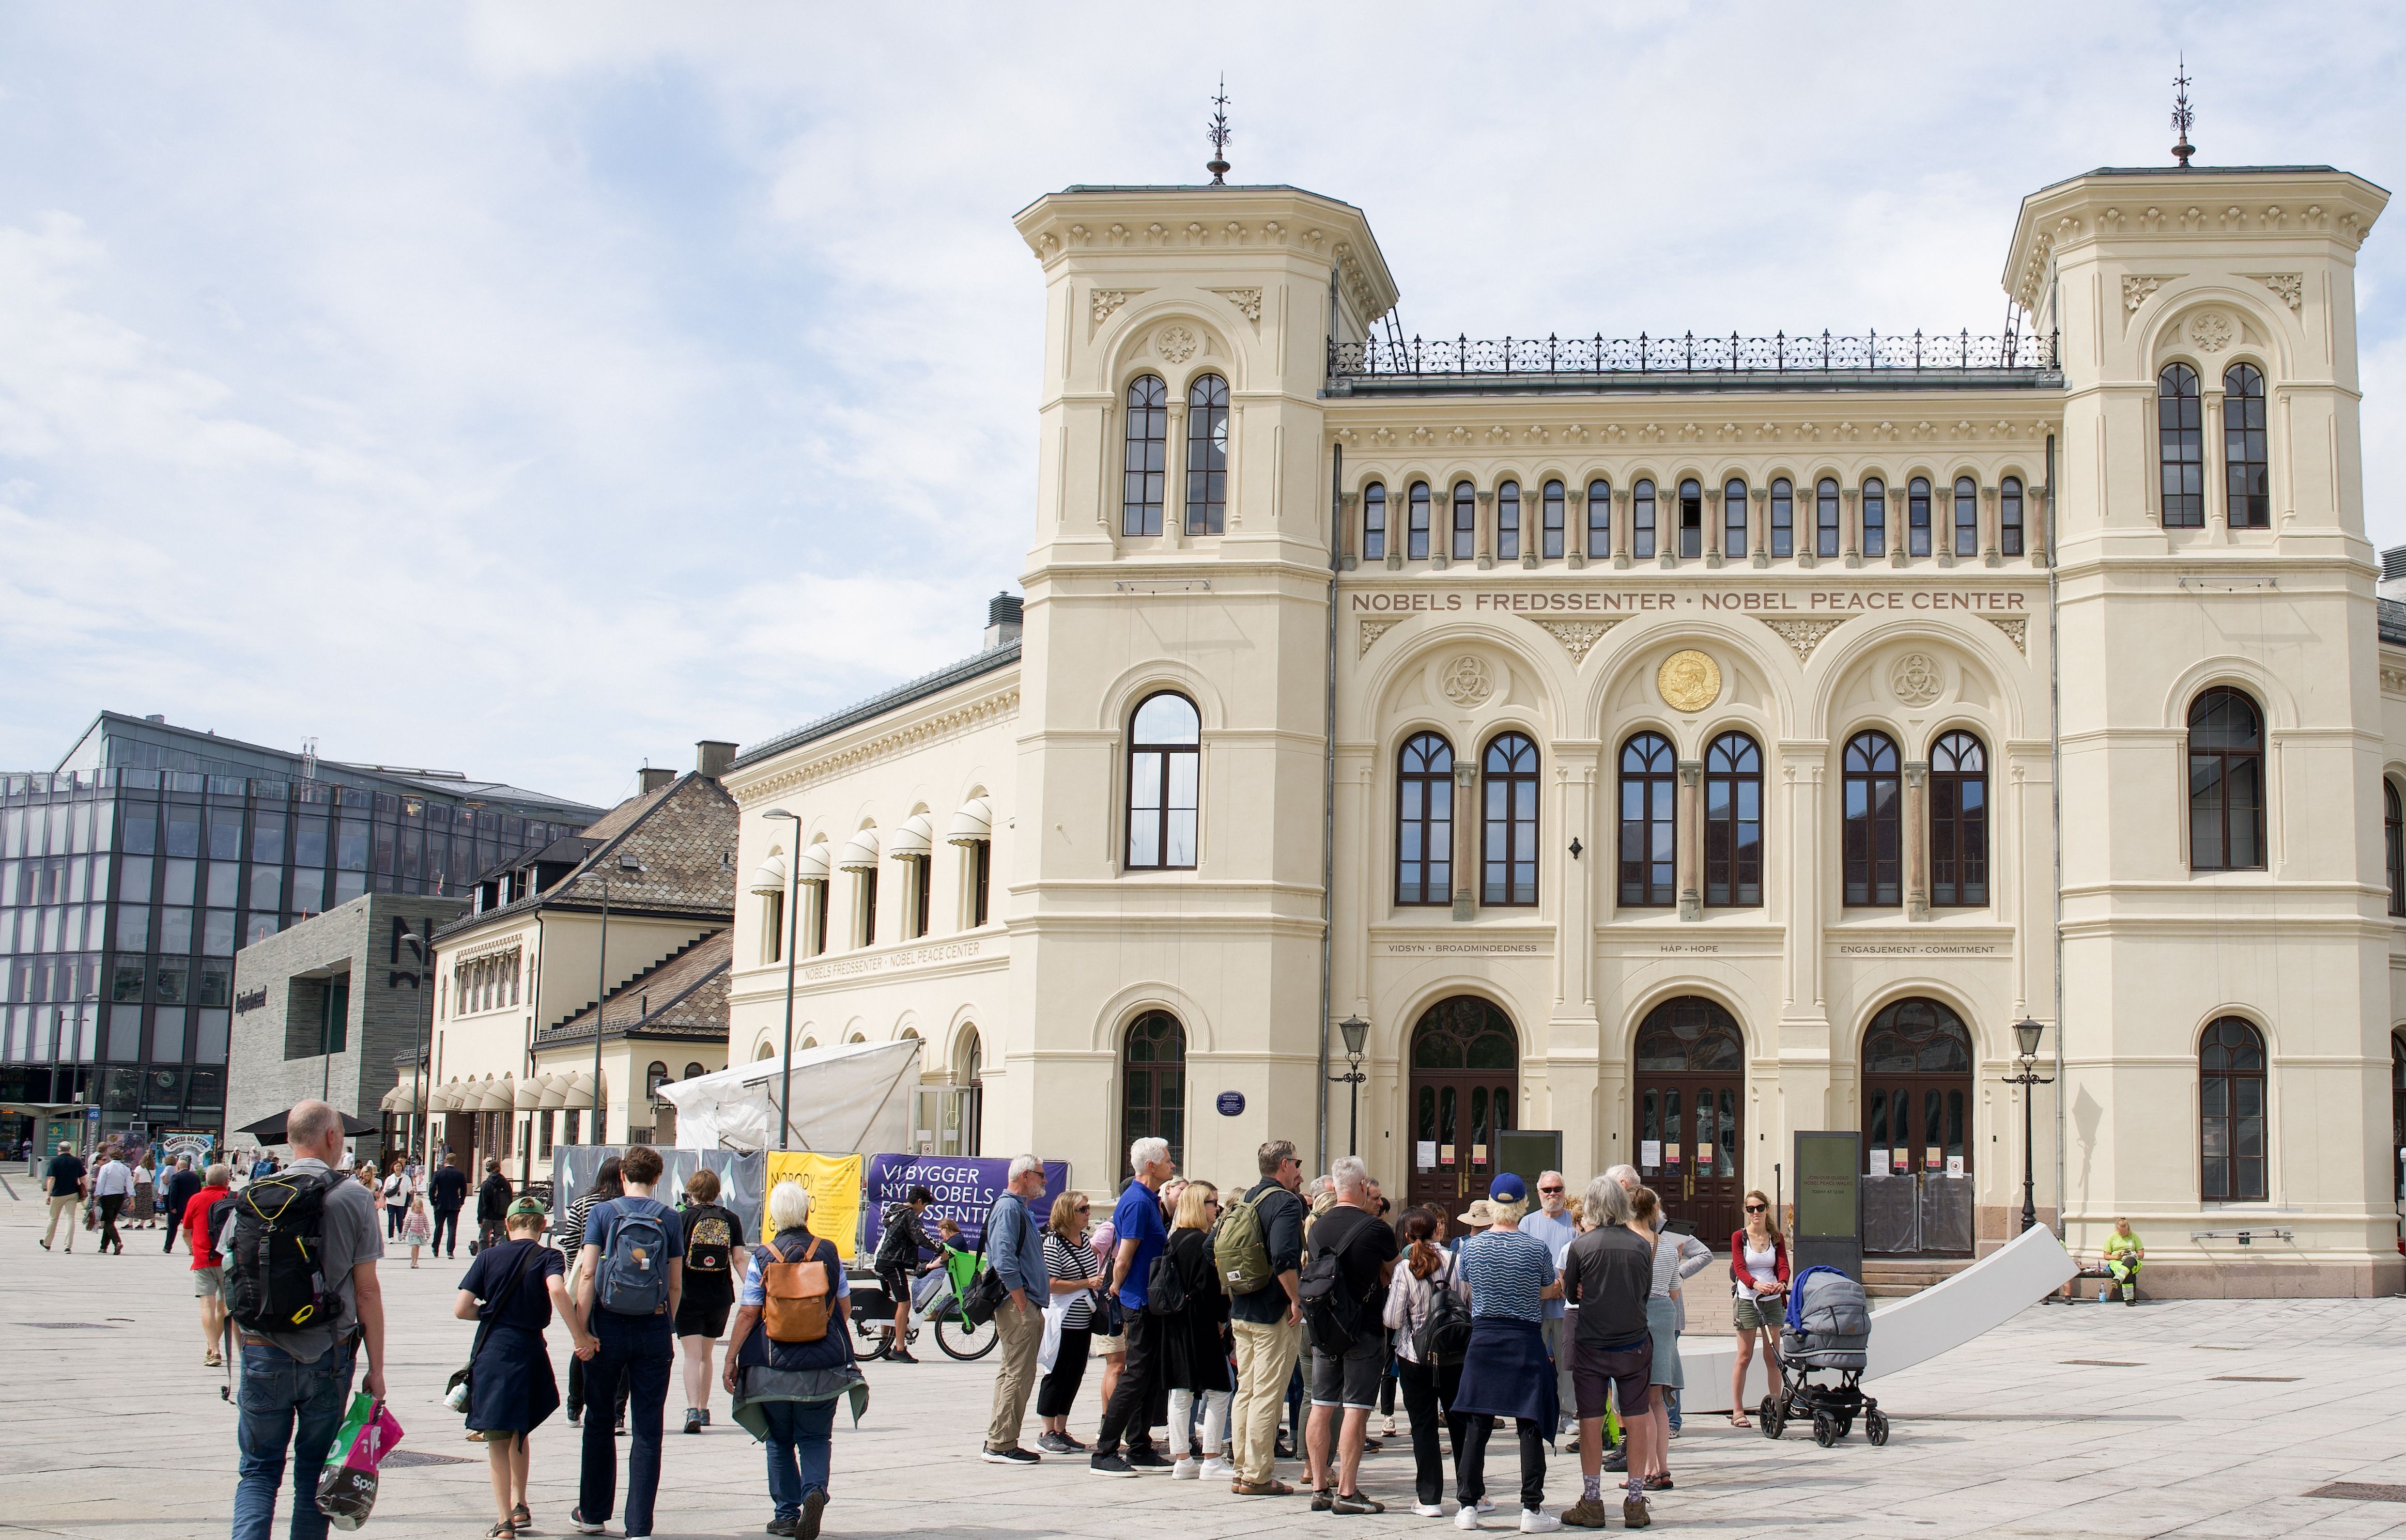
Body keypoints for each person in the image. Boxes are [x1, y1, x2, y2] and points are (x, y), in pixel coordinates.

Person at [230, 1099, 387, 1540]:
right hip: (327, 1352)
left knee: (258, 1472)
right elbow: (368, 1290)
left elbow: (235, 1276)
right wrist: (376, 1367)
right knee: (315, 1474)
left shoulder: (254, 1194)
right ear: (333, 1137)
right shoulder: (354, 1195)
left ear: (289, 1137)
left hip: (263, 1349)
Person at [725, 1179, 865, 1540]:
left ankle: (786, 1514)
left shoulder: (762, 1256)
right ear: (806, 1211)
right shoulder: (829, 1252)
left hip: (772, 1366)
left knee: (779, 1440)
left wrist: (731, 1358)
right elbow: (845, 1307)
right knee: (816, 1437)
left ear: (774, 1216)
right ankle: (814, 1489)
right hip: (823, 1367)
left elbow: (748, 1312)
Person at [572, 1144, 684, 1539]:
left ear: (623, 1176)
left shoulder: (603, 1213)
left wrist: (582, 1330)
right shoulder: (670, 1217)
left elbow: (587, 1274)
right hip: (653, 1326)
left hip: (607, 1323)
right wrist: (666, 1323)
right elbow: (674, 1282)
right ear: (657, 1178)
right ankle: (638, 1524)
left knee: (600, 1420)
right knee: (649, 1429)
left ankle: (592, 1512)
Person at [455, 1196, 576, 1539]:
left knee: (496, 1436)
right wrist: (579, 1334)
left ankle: (504, 1520)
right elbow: (556, 1289)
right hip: (529, 1350)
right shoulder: (550, 1256)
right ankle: (520, 1503)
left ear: (508, 1226)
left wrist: (491, 1313)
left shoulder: (488, 1256)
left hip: (494, 1352)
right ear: (541, 1226)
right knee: (520, 1432)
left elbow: (462, 1308)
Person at [1450, 1173, 1563, 1533]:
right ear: (1523, 1206)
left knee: (1477, 1422)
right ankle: (1531, 1507)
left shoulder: (1471, 1248)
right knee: (1529, 1422)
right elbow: (1547, 1290)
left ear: (1493, 1206)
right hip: (1524, 1337)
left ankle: (1468, 1504)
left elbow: (1469, 1285)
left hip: (1484, 1337)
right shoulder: (1536, 1248)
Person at [1556, 1177, 1657, 1530]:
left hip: (1593, 1343)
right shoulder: (1642, 1244)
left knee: (1590, 1420)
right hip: (1633, 1341)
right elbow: (1643, 1293)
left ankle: (1593, 1499)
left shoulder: (1581, 1245)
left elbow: (1571, 1294)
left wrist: (1587, 1288)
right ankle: (1634, 1502)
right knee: (1637, 1417)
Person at [1303, 1156, 1401, 1515]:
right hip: (1364, 1327)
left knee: (1321, 1405)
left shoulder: (1317, 1226)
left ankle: (1318, 1485)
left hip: (1326, 1328)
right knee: (1356, 1410)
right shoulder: (1376, 1228)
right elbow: (1393, 1270)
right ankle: (1347, 1491)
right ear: (1361, 1186)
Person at [1090, 1136, 1176, 1475]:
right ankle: (1106, 1450)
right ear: (1152, 1166)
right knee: (1136, 1373)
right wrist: (1116, 1287)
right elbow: (1124, 1256)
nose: (1173, 1164)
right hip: (1139, 1300)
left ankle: (1140, 1445)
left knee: (1149, 1374)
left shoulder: (1147, 1199)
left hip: (1148, 1299)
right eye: (1169, 1160)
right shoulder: (1139, 1202)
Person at [1227, 1139, 1307, 1496]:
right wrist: (1295, 1299)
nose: (1300, 1171)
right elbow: (1285, 1258)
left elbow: (1211, 1247)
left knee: (1246, 1389)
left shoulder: (1244, 1199)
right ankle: (1258, 1475)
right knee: (1268, 1393)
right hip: (1273, 1310)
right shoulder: (1286, 1203)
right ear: (1285, 1164)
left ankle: (1242, 1467)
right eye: (1298, 1163)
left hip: (1241, 1306)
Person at [1386, 1207, 1471, 1517]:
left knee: (1423, 1426)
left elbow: (1393, 1319)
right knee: (1460, 1424)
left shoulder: (1405, 1269)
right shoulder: (1458, 1262)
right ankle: (1470, 1495)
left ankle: (1429, 1497)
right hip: (1455, 1354)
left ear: (1408, 1237)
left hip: (1415, 1356)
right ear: (1438, 1231)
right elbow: (1469, 1305)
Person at [1631, 1187, 1705, 1494]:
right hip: (1664, 1316)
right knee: (1658, 1399)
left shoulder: (1629, 1244)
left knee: (1640, 1401)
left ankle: (1649, 1469)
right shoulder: (1665, 1246)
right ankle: (1662, 1468)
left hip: (1638, 1317)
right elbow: (1675, 1291)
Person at [979, 1153, 1051, 1465]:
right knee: (1018, 1374)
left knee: (1012, 1372)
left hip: (1022, 1303)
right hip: (1017, 1305)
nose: (1044, 1181)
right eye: (1040, 1175)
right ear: (1025, 1176)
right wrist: (1023, 1303)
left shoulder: (1017, 1208)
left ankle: (1000, 1438)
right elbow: (1005, 1260)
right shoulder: (1010, 1208)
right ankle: (1002, 1443)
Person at [1160, 1180, 1235, 1481]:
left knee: (1181, 1391)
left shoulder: (1174, 1238)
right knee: (1219, 1391)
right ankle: (1211, 1459)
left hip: (1176, 1321)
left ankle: (1182, 1459)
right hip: (1200, 1322)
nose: (1216, 1208)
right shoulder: (1202, 1243)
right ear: (1197, 1205)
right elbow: (1213, 1289)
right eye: (1211, 1202)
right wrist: (1221, 1321)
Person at [676, 1168, 746, 1434]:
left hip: (688, 1293)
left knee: (691, 1355)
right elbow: (739, 1259)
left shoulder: (682, 1218)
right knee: (707, 1354)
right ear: (718, 1193)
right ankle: (705, 1410)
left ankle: (693, 1408)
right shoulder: (731, 1219)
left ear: (691, 1192)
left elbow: (674, 1260)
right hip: (720, 1295)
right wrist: (754, 1289)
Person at [1037, 1192, 1106, 1453]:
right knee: (1056, 1374)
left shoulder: (1085, 1240)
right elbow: (1052, 1285)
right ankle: (1046, 1431)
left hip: (1083, 1320)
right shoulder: (1054, 1244)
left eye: (1088, 1208)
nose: (1088, 1213)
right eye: (1083, 1209)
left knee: (1075, 1374)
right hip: (1063, 1321)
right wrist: (1086, 1284)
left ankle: (1061, 1429)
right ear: (1067, 1213)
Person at [563, 1158, 628, 1434]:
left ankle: (575, 1405)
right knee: (624, 1351)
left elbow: (569, 1243)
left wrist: (573, 1273)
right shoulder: (630, 1205)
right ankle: (617, 1412)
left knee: (583, 1342)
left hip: (589, 1279)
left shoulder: (584, 1204)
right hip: (624, 1284)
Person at [1520, 1171, 1579, 1438]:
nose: (1553, 1194)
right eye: (1547, 1190)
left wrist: (1564, 1286)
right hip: (1535, 1308)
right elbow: (1520, 1264)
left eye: (1558, 1189)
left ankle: (1567, 1414)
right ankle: (1535, 1410)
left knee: (1567, 1365)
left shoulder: (1575, 1224)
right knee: (1535, 1363)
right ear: (1539, 1193)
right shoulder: (1527, 1224)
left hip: (1569, 1308)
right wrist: (1547, 1288)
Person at [1727, 1189, 1788, 1428]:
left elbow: (1783, 1265)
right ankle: (1738, 1410)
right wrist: (1756, 1284)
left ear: (1767, 1210)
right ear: (1745, 1211)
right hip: (1748, 1299)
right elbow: (1739, 1268)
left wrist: (1782, 1283)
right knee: (1744, 1356)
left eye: (1760, 1208)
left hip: (1772, 1300)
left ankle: (1777, 1409)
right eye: (1751, 1209)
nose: (1756, 1213)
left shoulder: (1776, 1236)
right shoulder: (1739, 1237)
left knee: (1772, 1357)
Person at [871, 1185, 940, 1365]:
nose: (923, 1211)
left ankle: (885, 1344)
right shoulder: (910, 1214)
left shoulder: (895, 1209)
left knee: (892, 1303)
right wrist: (941, 1249)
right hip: (893, 1263)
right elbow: (921, 1237)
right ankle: (900, 1349)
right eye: (924, 1206)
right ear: (919, 1202)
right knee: (905, 1302)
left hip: (883, 1260)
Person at [183, 1161, 235, 1365]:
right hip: (228, 1260)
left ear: (206, 1179)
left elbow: (186, 1232)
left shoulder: (196, 1199)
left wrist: (192, 1249)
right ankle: (213, 1345)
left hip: (203, 1259)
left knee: (207, 1304)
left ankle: (213, 1350)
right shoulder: (233, 1199)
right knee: (224, 1307)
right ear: (227, 1180)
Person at [1087, 1214, 1125, 1411]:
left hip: (1120, 1303)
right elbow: (1087, 1253)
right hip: (1110, 1303)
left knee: (1116, 1365)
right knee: (1117, 1365)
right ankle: (1115, 1421)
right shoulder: (1111, 1229)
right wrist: (1093, 1282)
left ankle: (1107, 1421)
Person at [38, 1140, 84, 1252]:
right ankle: (68, 1246)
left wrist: (48, 1195)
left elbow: (51, 1179)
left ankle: (48, 1243)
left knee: (53, 1219)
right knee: (70, 1218)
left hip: (58, 1193)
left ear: (59, 1150)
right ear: (70, 1150)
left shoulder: (55, 1162)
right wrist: (84, 1192)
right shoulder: (77, 1161)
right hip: (73, 1193)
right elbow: (83, 1178)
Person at [90, 1145, 132, 1254]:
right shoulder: (126, 1169)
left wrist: (96, 1200)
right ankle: (104, 1246)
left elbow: (100, 1185)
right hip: (120, 1197)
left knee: (108, 1222)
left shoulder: (105, 1168)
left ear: (111, 1157)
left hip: (107, 1196)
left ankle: (117, 1242)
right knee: (111, 1221)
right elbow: (130, 1186)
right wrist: (133, 1201)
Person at [430, 1155, 471, 1258]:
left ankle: (436, 1249)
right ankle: (450, 1251)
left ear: (445, 1161)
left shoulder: (439, 1173)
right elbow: (464, 1189)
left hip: (441, 1203)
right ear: (455, 1161)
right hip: (454, 1204)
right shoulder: (460, 1174)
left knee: (439, 1227)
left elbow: (432, 1188)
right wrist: (461, 1201)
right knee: (452, 1228)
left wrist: (433, 1201)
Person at [161, 1154, 203, 1254]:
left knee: (172, 1227)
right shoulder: (195, 1177)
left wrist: (172, 1207)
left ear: (178, 1167)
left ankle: (168, 1247)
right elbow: (199, 1191)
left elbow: (173, 1193)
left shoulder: (176, 1177)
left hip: (178, 1207)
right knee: (192, 1228)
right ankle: (193, 1248)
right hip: (191, 1207)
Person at [476, 1158, 515, 1254]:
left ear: (489, 1170)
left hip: (488, 1216)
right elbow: (510, 1200)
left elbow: (483, 1203)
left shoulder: (487, 1184)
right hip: (501, 1216)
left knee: (484, 1237)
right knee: (500, 1236)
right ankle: (501, 1255)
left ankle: (483, 1256)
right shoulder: (506, 1184)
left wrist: (480, 1218)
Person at [2103, 1219, 2145, 1304]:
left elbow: (2141, 1254)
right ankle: (2129, 1299)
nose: (2123, 1234)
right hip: (2117, 1262)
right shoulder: (2112, 1238)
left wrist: (2133, 1255)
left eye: (2125, 1232)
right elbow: (2106, 1256)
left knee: (2129, 1261)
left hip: (2133, 1260)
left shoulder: (2134, 1236)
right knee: (2127, 1270)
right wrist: (2116, 1256)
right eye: (2120, 1232)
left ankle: (2118, 1279)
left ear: (2128, 1229)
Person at [403, 1193, 434, 1267]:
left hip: (420, 1234)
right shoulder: (411, 1215)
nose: (418, 1209)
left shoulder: (423, 1215)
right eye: (417, 1208)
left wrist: (428, 1233)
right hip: (413, 1233)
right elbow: (407, 1225)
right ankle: (413, 1261)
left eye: (420, 1208)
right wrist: (404, 1234)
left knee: (417, 1248)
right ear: (414, 1208)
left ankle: (416, 1261)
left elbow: (426, 1224)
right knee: (414, 1246)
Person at [132, 1151, 157, 1229]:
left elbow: (136, 1179)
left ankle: (131, 1222)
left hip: (140, 1187)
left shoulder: (139, 1168)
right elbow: (152, 1180)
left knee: (136, 1204)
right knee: (146, 1206)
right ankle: (142, 1224)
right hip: (148, 1187)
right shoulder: (153, 1169)